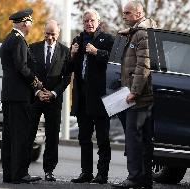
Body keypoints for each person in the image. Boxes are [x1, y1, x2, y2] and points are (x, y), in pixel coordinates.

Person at [111, 1, 156, 189]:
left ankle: (135, 177)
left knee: (134, 139)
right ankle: (145, 179)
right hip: (139, 97)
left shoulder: (142, 34)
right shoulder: (137, 33)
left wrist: (135, 91)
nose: (124, 16)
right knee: (143, 139)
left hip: (137, 97)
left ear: (138, 14)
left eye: (127, 13)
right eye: (123, 13)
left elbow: (143, 65)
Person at [69, 9, 114, 184]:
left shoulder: (108, 39)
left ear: (98, 21)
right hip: (82, 98)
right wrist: (72, 55)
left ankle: (102, 174)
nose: (89, 23)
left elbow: (115, 62)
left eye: (92, 20)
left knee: (103, 138)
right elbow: (68, 69)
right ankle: (86, 173)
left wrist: (97, 52)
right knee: (84, 138)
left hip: (101, 98)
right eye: (86, 21)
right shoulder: (77, 40)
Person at [0, 8, 42, 184]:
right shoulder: (18, 41)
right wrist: (35, 82)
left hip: (10, 95)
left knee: (9, 136)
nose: (31, 25)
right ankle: (19, 174)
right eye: (30, 22)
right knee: (19, 136)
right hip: (19, 96)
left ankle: (9, 174)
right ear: (26, 23)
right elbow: (22, 67)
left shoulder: (9, 39)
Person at [28, 20, 71, 181]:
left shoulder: (65, 52)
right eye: (47, 33)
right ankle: (23, 169)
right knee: (29, 132)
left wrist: (53, 93)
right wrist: (38, 91)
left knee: (52, 136)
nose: (50, 37)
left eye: (53, 34)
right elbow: (29, 73)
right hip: (35, 98)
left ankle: (49, 170)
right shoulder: (33, 48)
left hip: (54, 99)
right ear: (43, 32)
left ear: (58, 34)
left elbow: (66, 78)